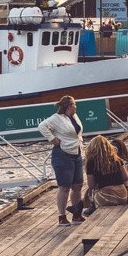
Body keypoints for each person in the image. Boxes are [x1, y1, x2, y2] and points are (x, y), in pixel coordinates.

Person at [38, 95, 85, 223]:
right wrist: (52, 139)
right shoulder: (56, 118)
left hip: (77, 152)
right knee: (64, 186)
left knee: (78, 185)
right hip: (63, 154)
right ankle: (62, 216)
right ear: (69, 106)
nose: (76, 106)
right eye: (74, 104)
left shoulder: (74, 116)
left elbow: (77, 132)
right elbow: (42, 126)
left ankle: (76, 213)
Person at [82, 135, 128, 212]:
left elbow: (91, 185)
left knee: (89, 192)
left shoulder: (92, 162)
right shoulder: (117, 159)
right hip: (123, 196)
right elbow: (125, 177)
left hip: (106, 197)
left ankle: (82, 209)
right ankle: (82, 207)